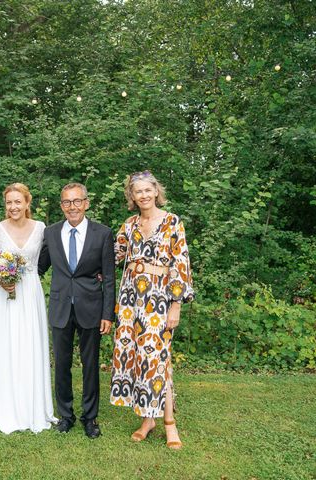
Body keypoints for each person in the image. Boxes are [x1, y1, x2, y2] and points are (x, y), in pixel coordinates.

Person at [110, 170, 194, 449]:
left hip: (159, 298)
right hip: (131, 297)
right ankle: (148, 419)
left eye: (148, 190)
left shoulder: (172, 222)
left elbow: (180, 264)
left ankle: (170, 423)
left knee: (158, 359)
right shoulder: (130, 224)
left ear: (156, 191)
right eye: (138, 192)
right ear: (131, 197)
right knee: (138, 358)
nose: (143, 195)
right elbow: (113, 254)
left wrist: (176, 305)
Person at [38, 182, 115, 439]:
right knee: (61, 364)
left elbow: (111, 277)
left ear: (86, 203)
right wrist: (10, 273)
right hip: (60, 307)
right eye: (67, 202)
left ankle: (90, 417)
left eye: (77, 201)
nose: (72, 207)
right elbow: (39, 267)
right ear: (61, 206)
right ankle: (66, 416)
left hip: (91, 308)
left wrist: (108, 314)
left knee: (90, 365)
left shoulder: (102, 234)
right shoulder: (50, 233)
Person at [0, 183, 56, 434]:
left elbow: (47, 260)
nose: (13, 207)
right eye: (9, 202)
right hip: (5, 295)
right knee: (8, 347)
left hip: (31, 292)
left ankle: (33, 407)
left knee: (30, 345)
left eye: (18, 202)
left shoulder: (41, 228)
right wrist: (3, 281)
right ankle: (9, 409)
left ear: (27, 203)